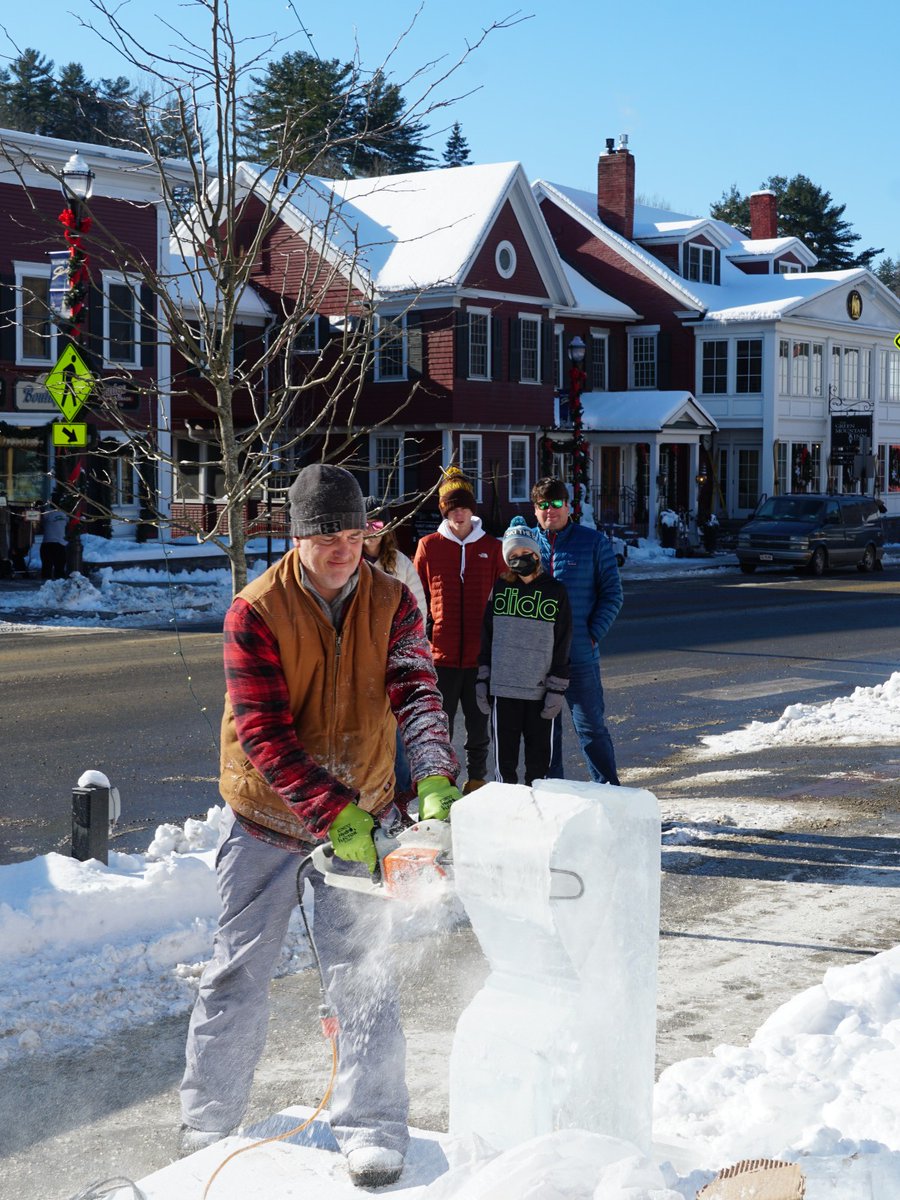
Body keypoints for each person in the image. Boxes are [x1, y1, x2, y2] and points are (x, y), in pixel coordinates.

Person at [180, 463, 460, 1190]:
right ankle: (207, 1126)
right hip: (268, 819)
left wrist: (431, 775)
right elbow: (266, 736)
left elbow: (416, 689)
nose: (344, 551)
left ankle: (372, 1126)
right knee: (238, 971)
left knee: (363, 972)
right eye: (326, 537)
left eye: (355, 534)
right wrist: (330, 813)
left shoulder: (393, 600)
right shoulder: (255, 610)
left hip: (363, 809)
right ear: (298, 536)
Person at [414, 467, 504, 793]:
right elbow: (416, 596)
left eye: (464, 506)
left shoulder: (493, 548)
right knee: (441, 726)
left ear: (472, 509)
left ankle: (477, 781)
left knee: (479, 727)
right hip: (441, 656)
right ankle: (442, 783)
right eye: (452, 508)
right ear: (445, 510)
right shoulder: (429, 546)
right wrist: (424, 636)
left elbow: (504, 599)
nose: (459, 513)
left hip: (481, 657)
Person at [531, 477, 623, 785]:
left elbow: (613, 594)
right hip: (540, 662)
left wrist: (591, 634)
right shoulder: (527, 545)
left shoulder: (592, 542)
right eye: (542, 505)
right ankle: (552, 794)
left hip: (580, 659)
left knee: (591, 729)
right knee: (546, 734)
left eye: (556, 503)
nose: (550, 510)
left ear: (568, 506)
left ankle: (611, 794)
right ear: (535, 510)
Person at [476, 517, 572, 785]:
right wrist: (483, 677)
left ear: (536, 554)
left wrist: (557, 688)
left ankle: (537, 821)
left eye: (525, 552)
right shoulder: (500, 588)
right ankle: (508, 822)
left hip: (540, 692)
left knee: (539, 771)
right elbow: (487, 635)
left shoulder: (556, 591)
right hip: (504, 690)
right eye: (514, 554)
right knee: (504, 771)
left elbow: (563, 642)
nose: (520, 558)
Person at [362, 497, 427, 812]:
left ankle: (401, 803)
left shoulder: (399, 563)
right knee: (364, 737)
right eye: (365, 525)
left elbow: (419, 611)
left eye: (377, 524)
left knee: (398, 739)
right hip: (358, 665)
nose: (371, 532)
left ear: (387, 527)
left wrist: (407, 653)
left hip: (393, 662)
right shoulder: (350, 563)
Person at [39, 495, 68, 580]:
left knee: (47, 566)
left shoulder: (47, 514)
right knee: (60, 568)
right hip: (60, 544)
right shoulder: (65, 515)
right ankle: (59, 584)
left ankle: (45, 585)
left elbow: (39, 521)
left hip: (48, 542)